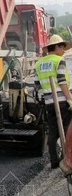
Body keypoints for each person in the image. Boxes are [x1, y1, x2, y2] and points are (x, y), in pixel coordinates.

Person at [34, 35, 72, 170]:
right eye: (62, 46)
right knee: (68, 131)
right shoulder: (59, 60)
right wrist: (69, 99)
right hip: (62, 102)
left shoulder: (38, 63)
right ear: (56, 47)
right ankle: (68, 160)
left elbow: (37, 85)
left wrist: (45, 98)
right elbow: (62, 81)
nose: (63, 50)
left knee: (53, 131)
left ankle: (54, 161)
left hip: (49, 103)